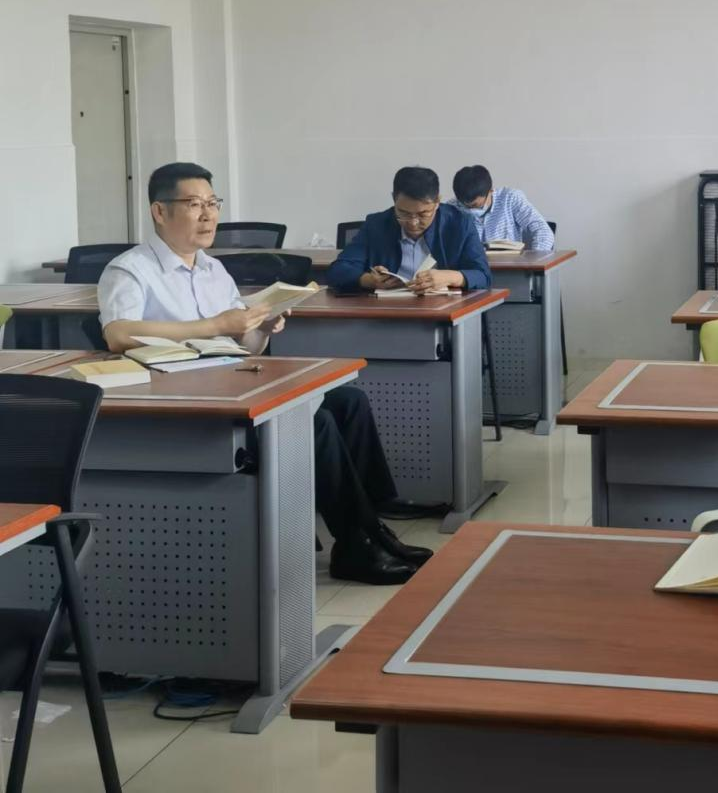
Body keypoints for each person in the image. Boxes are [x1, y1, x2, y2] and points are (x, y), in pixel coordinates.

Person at [98, 163, 429, 585]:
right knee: (315, 422)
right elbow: (118, 334)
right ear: (159, 211)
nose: (208, 215)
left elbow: (243, 346)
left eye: (213, 203)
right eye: (194, 204)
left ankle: (373, 528)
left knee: (349, 401)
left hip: (230, 382)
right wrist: (215, 325)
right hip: (185, 400)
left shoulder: (213, 270)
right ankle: (355, 546)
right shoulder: (130, 269)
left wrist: (263, 327)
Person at [327, 166, 490, 294]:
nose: (413, 223)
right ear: (394, 199)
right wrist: (368, 280)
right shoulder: (377, 224)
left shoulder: (460, 224)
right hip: (389, 312)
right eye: (404, 213)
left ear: (437, 202)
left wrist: (451, 277)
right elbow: (338, 270)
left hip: (443, 312)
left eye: (423, 214)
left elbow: (483, 276)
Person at [449, 165, 555, 250]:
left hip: (509, 266)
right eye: (465, 206)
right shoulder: (451, 207)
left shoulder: (510, 198)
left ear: (491, 190)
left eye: (476, 206)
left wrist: (533, 264)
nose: (471, 210)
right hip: (469, 268)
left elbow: (544, 232)